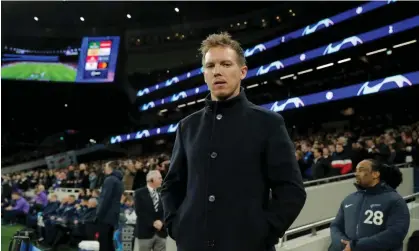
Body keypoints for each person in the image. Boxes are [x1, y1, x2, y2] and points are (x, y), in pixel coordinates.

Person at [160, 32, 307, 251]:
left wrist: (264, 231)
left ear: (242, 71)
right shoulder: (187, 127)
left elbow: (291, 189)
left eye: (226, 64)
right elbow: (172, 185)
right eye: (210, 66)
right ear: (204, 74)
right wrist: (177, 225)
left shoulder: (268, 123)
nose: (217, 71)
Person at [329, 159, 410, 251]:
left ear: (375, 174)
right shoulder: (349, 199)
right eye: (356, 170)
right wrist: (344, 245)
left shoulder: (395, 200)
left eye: (361, 170)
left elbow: (395, 234)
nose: (356, 174)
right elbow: (335, 226)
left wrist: (356, 246)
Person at [134, 170, 166, 251]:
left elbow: (166, 211)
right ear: (152, 180)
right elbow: (140, 212)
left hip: (161, 232)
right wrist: (153, 223)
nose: (162, 180)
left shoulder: (163, 193)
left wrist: (161, 222)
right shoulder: (139, 193)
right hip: (145, 232)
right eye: (159, 178)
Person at [96, 161, 124, 251]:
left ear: (110, 168)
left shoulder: (110, 180)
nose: (104, 168)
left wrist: (98, 214)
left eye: (106, 166)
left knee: (104, 241)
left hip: (106, 215)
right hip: (113, 215)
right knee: (108, 241)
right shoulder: (118, 180)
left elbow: (105, 199)